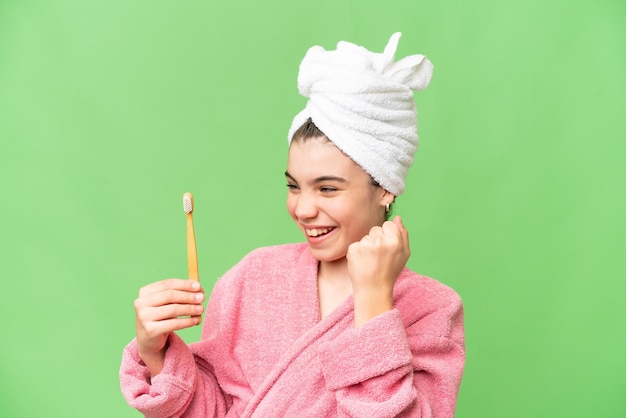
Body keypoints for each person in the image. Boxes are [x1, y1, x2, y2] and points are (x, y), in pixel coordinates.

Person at [120, 32, 465, 418]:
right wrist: (154, 352)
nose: (302, 209)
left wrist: (372, 300)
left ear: (385, 187)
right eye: (293, 186)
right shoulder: (252, 277)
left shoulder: (432, 308)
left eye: (328, 189)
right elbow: (211, 409)